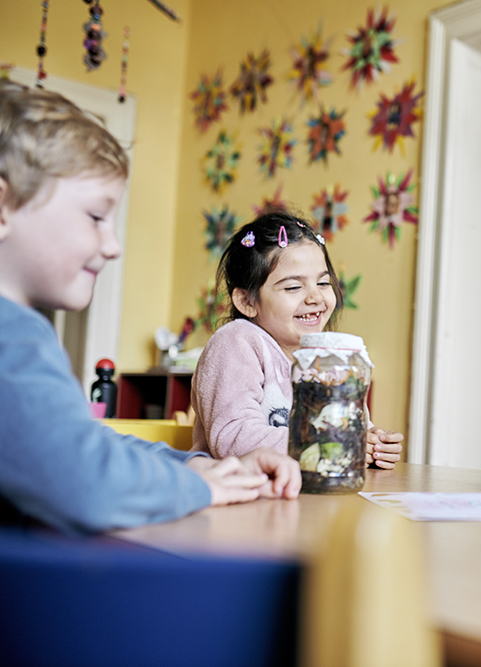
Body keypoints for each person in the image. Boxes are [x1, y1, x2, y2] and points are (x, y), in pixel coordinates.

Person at [0, 80, 300, 535]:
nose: (113, 245)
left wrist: (195, 466)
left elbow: (82, 443)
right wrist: (198, 486)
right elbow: (87, 482)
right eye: (96, 217)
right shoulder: (12, 336)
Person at [191, 210, 403, 468]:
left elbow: (349, 429)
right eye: (293, 287)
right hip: (242, 497)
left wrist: (373, 445)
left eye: (323, 283)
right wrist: (332, 444)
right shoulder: (236, 342)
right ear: (247, 301)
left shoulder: (328, 358)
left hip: (308, 497)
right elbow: (234, 439)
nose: (315, 297)